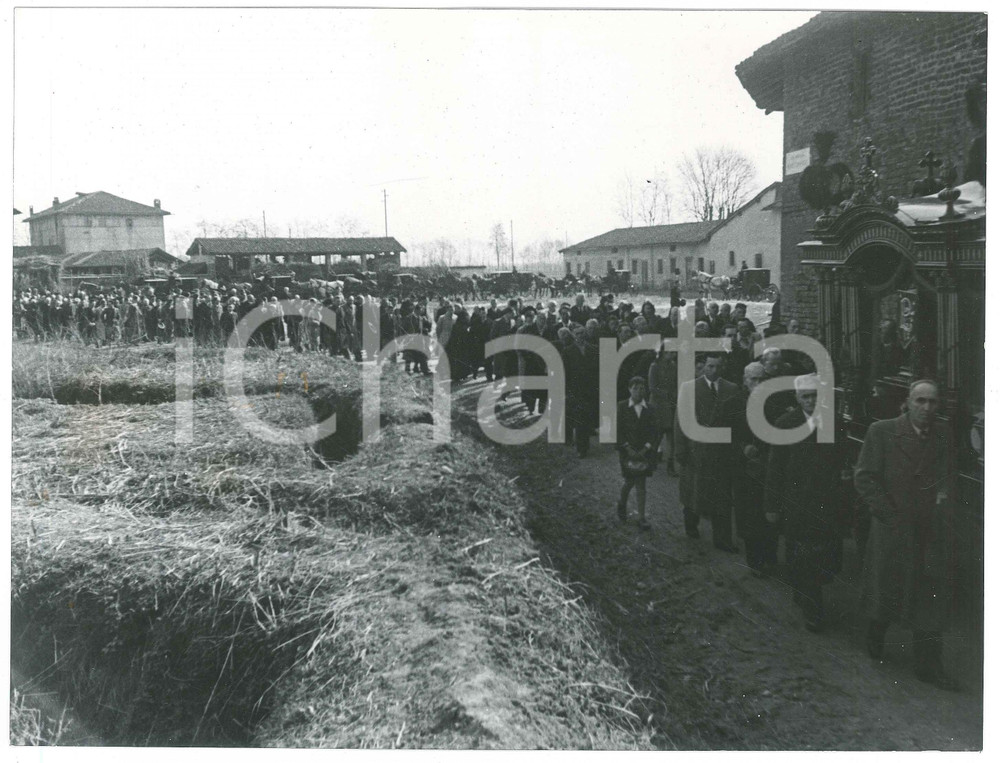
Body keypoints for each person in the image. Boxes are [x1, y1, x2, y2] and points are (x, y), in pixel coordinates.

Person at [854, 379, 960, 690]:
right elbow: (864, 478)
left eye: (933, 402)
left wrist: (943, 498)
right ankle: (876, 630)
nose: (927, 408)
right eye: (920, 401)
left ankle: (929, 665)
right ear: (908, 402)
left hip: (929, 530)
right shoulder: (882, 431)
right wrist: (888, 515)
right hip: (893, 529)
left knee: (928, 596)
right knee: (887, 590)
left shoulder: (944, 434)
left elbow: (949, 475)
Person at [764, 374, 846, 632]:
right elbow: (775, 469)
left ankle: (805, 589)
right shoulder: (785, 424)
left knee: (824, 556)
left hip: (827, 502)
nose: (811, 400)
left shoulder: (834, 422)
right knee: (803, 553)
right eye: (805, 396)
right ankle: (813, 610)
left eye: (815, 395)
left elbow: (842, 462)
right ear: (797, 398)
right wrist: (772, 505)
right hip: (797, 503)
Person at [674, 353, 740, 550]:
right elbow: (680, 421)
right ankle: (691, 523)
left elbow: (736, 422)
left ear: (723, 367)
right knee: (693, 490)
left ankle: (723, 539)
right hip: (696, 449)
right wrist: (680, 449)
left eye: (718, 367)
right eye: (710, 366)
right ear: (703, 367)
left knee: (722, 497)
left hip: (721, 451)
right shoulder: (689, 388)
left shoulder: (731, 389)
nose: (714, 371)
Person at [616, 376, 658, 530]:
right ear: (629, 389)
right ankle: (622, 502)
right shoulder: (621, 406)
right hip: (627, 451)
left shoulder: (650, 409)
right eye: (635, 388)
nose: (639, 392)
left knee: (641, 483)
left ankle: (641, 517)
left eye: (642, 389)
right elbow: (618, 430)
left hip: (644, 452)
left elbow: (654, 432)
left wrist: (646, 448)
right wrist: (627, 448)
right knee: (630, 481)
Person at [647, 339, 678, 476]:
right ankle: (652, 460)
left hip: (671, 405)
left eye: (673, 352)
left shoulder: (673, 366)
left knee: (672, 436)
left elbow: (677, 382)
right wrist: (667, 394)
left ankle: (670, 464)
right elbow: (652, 388)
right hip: (658, 405)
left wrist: (675, 395)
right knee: (657, 435)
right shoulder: (654, 366)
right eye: (669, 352)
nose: (671, 354)